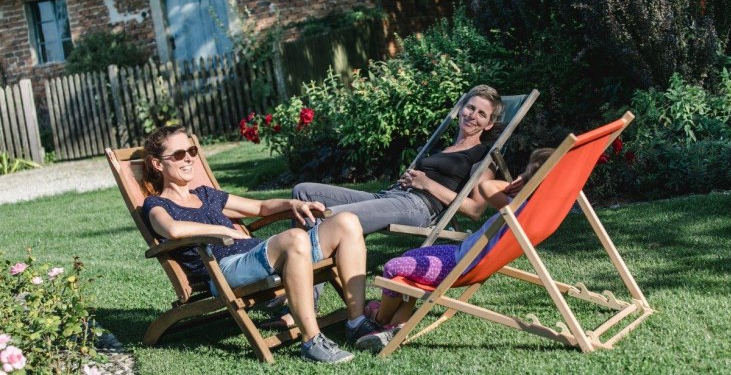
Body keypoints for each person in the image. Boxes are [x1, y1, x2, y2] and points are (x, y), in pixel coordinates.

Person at [140, 125, 380, 364]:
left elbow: (259, 207)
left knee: (347, 222)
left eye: (191, 151)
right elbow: (173, 229)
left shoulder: (205, 194)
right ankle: (312, 342)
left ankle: (356, 322)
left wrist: (292, 204)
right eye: (179, 154)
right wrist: (222, 230)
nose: (189, 158)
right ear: (157, 164)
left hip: (259, 255)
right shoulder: (156, 204)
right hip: (223, 268)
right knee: (295, 238)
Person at [354, 148, 554, 352]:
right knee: (410, 257)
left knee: (392, 267)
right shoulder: (535, 208)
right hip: (460, 254)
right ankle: (398, 323)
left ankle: (380, 319)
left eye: (526, 173)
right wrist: (527, 181)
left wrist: (517, 183)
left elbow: (486, 186)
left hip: (459, 265)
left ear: (529, 182)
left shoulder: (517, 207)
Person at [292, 85, 505, 235]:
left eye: (481, 114)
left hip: (418, 207)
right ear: (461, 109)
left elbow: (475, 210)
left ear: (488, 124)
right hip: (391, 196)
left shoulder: (484, 156)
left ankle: (299, 282)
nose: (472, 115)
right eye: (470, 107)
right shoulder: (447, 148)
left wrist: (426, 184)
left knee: (324, 216)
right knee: (303, 191)